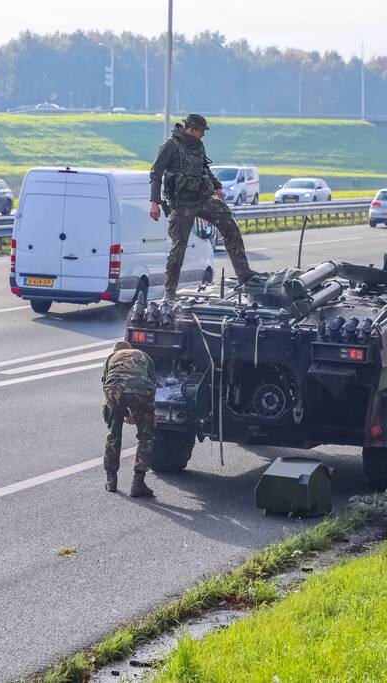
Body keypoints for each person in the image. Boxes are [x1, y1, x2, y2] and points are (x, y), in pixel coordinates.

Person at [149, 113, 257, 299]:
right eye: (201, 131)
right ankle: (170, 291)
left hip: (202, 200)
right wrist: (154, 202)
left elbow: (203, 169)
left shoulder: (198, 145)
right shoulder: (170, 146)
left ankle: (244, 274)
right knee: (178, 248)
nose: (203, 135)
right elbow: (156, 173)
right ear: (191, 129)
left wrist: (216, 187)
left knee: (229, 225)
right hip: (182, 204)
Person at [101, 341, 157, 497]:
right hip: (141, 391)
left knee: (113, 433)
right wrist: (144, 415)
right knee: (146, 436)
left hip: (114, 391)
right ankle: (138, 482)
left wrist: (121, 413)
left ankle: (111, 479)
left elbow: (106, 385)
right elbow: (152, 383)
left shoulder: (111, 358)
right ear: (130, 349)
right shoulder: (143, 355)